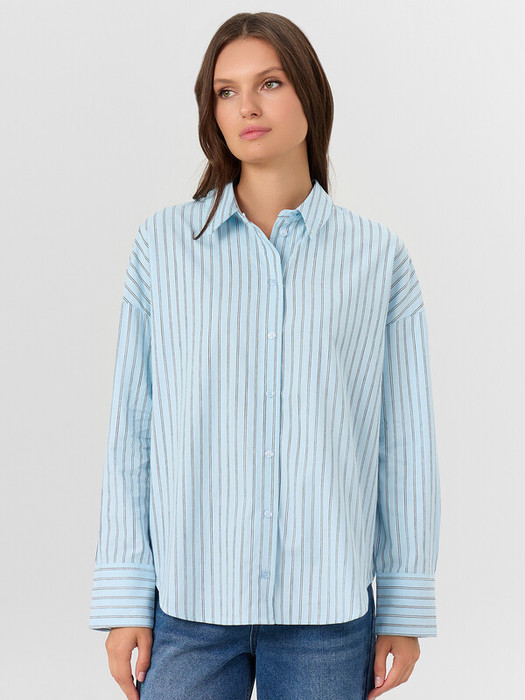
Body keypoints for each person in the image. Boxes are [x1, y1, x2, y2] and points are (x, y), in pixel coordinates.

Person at [89, 11, 441, 700]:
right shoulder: (162, 248)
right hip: (187, 608)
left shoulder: (379, 259)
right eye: (226, 91)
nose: (246, 106)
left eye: (269, 83)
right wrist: (126, 596)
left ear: (310, 93)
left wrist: (403, 606)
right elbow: (132, 430)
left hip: (327, 614)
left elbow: (403, 444)